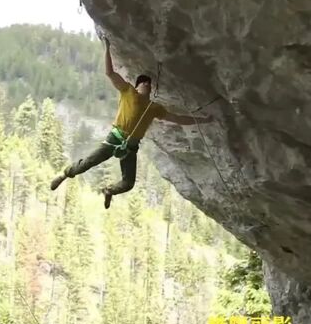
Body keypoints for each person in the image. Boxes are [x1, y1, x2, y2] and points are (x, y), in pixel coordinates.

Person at [50, 37, 214, 209]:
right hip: (115, 138)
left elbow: (177, 119)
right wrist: (107, 48)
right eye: (144, 82)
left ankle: (109, 191)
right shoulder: (128, 91)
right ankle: (64, 175)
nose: (147, 85)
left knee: (128, 183)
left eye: (149, 84)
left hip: (131, 147)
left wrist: (203, 120)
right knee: (89, 162)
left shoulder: (154, 107)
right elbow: (110, 73)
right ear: (137, 86)